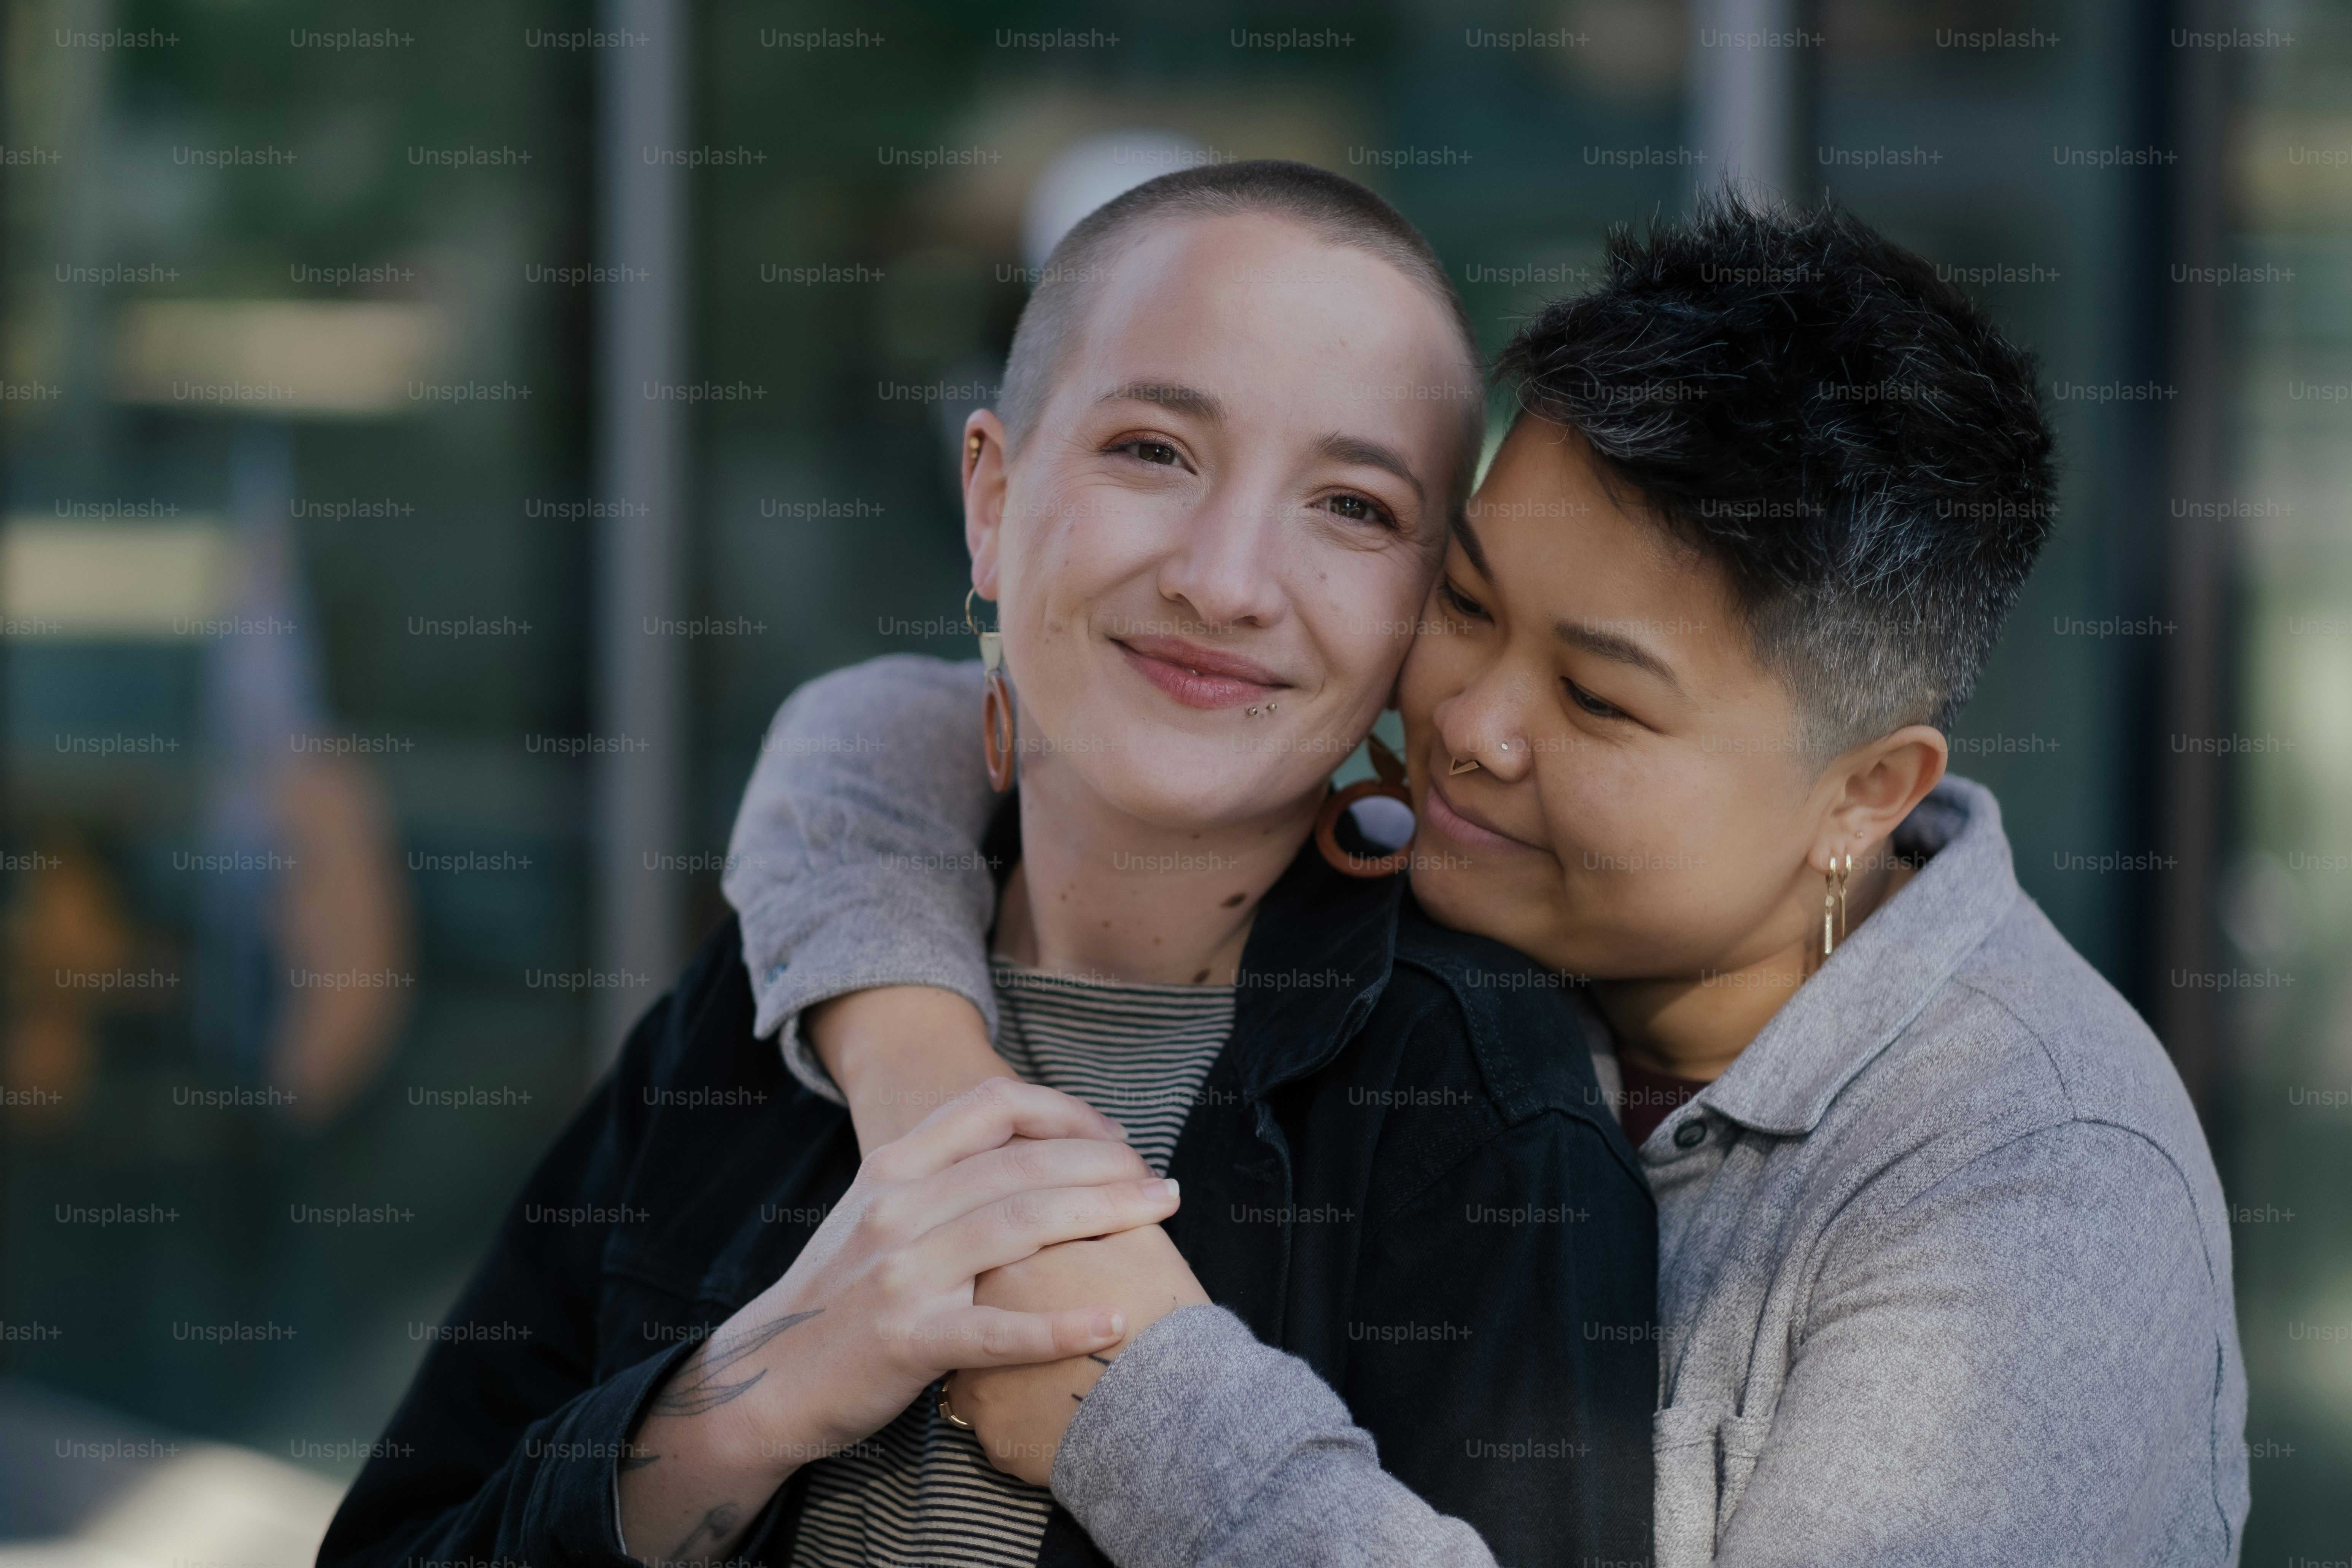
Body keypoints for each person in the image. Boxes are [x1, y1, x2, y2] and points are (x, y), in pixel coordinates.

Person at [728, 195, 2250, 1566]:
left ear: (1862, 793)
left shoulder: (2038, 1196)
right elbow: (886, 732)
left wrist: (1150, 1398)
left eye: (1597, 701)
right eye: (1463, 598)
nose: (1466, 725)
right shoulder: (1408, 862)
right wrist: (926, 1086)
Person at [318, 160, 1658, 1568]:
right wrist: (748, 1396)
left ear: (1419, 614)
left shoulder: (1484, 1107)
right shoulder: (772, 1001)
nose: (1227, 579)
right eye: (1154, 450)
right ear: (990, 496)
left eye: (1355, 508)